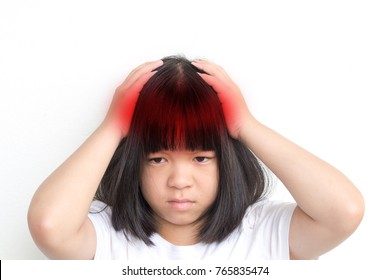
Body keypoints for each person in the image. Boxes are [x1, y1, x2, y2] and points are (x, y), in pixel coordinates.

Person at [28, 55, 364, 260]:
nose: (179, 181)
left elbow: (343, 212)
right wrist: (113, 126)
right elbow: (49, 226)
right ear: (134, 163)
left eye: (201, 158)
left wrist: (246, 125)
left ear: (226, 162)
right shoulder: (105, 237)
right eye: (158, 159)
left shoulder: (262, 232)